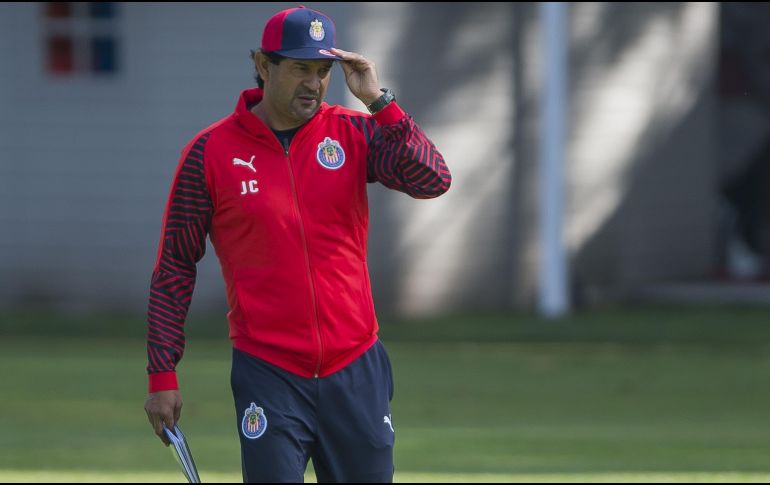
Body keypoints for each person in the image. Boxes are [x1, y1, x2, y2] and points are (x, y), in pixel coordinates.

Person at [143, 5, 451, 483]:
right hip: (269, 371)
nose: (315, 83)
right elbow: (175, 268)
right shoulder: (210, 153)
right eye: (301, 69)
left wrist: (380, 102)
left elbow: (432, 180)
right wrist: (162, 375)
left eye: (324, 71)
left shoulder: (353, 132)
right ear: (264, 66)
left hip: (355, 367)